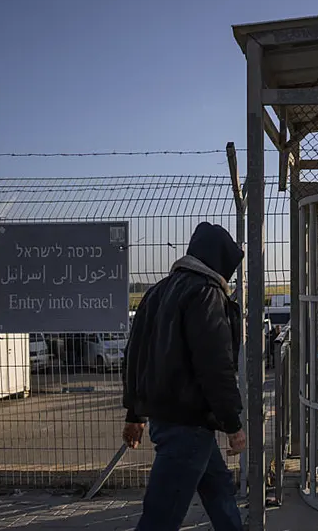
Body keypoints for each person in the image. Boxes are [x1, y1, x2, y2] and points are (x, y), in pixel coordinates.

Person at [122, 222, 246, 531]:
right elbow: (215, 366)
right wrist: (233, 424)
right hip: (188, 425)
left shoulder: (158, 291)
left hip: (172, 421)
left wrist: (134, 413)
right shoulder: (206, 294)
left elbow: (135, 355)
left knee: (219, 490)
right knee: (160, 517)